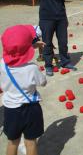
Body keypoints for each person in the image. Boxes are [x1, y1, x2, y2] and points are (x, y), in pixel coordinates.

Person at [24, 0, 76, 77]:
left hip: (61, 19)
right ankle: (48, 65)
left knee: (63, 42)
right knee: (47, 43)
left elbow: (61, 3)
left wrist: (65, 18)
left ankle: (65, 62)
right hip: (47, 19)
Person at [0, 25, 47, 155]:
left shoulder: (2, 64)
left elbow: (15, 52)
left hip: (10, 110)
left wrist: (27, 46)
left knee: (12, 142)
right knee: (30, 142)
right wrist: (29, 46)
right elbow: (43, 82)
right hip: (30, 110)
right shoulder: (32, 68)